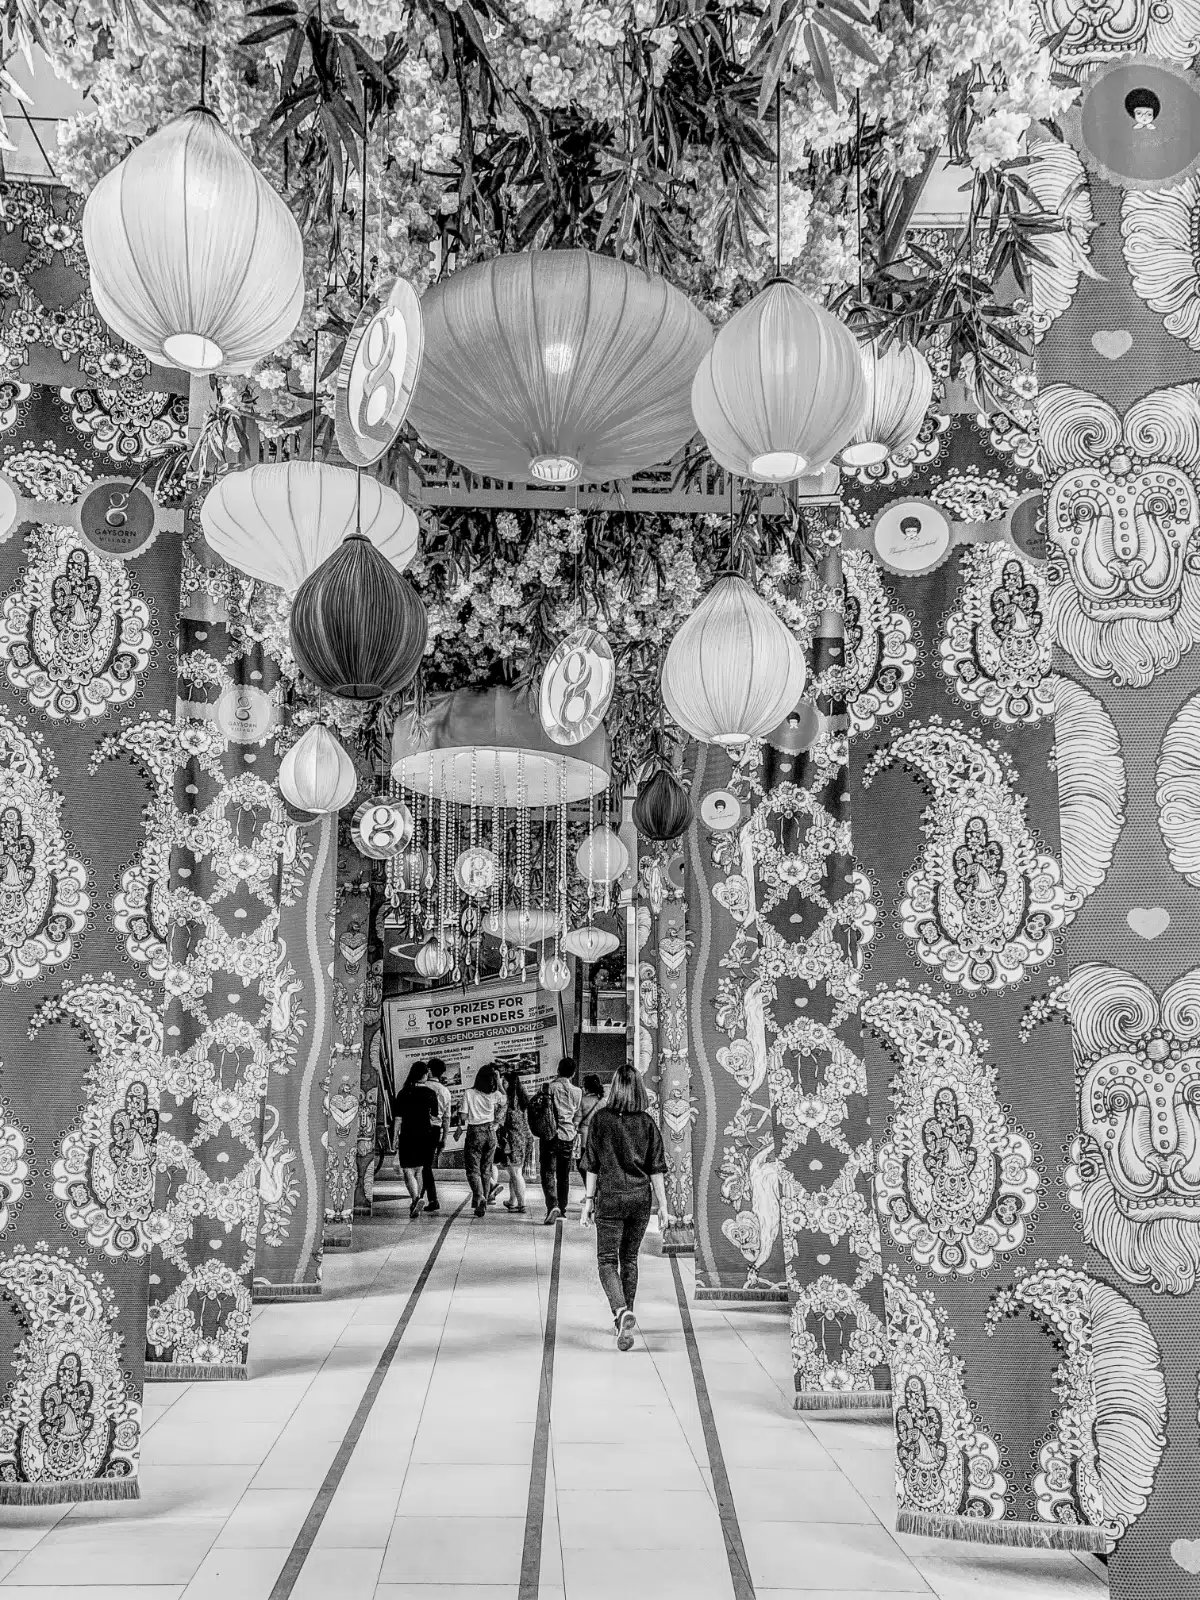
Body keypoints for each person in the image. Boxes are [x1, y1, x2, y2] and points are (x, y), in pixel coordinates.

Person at [581, 1065, 669, 1352]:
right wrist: (663, 1206)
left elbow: (591, 1164)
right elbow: (657, 1168)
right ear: (640, 1090)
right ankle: (624, 1317)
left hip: (610, 1197)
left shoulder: (601, 1120)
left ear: (614, 1087)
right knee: (629, 1259)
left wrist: (588, 1201)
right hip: (640, 1199)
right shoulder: (646, 1123)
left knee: (607, 1261)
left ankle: (620, 1311)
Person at [392, 1062, 442, 1219]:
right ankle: (417, 1199)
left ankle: (415, 1199)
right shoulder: (430, 1093)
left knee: (407, 1169)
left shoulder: (403, 1093)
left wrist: (394, 1138)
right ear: (424, 1075)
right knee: (420, 1169)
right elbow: (435, 1116)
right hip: (425, 1134)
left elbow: (398, 1119)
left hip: (408, 1134)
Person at [540, 1057, 582, 1224]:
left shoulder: (551, 1087)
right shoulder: (578, 1091)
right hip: (569, 1135)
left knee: (548, 1172)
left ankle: (552, 1205)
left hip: (551, 1135)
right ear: (573, 1073)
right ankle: (562, 1209)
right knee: (563, 1174)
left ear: (558, 1069)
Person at [461, 1063, 504, 1218]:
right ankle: (482, 1204)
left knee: (473, 1169)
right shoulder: (495, 1095)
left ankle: (480, 1197)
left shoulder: (469, 1093)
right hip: (491, 1132)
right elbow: (506, 1101)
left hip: (475, 1132)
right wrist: (499, 1083)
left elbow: (464, 1116)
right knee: (486, 1169)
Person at [497, 1069, 531, 1213]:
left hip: (512, 1140)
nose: (502, 1084)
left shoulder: (508, 1100)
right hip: (525, 1138)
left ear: (510, 1083)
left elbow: (499, 1119)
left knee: (515, 1173)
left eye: (504, 1081)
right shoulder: (523, 1098)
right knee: (515, 1172)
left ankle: (522, 1203)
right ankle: (512, 1201)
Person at [423, 1059, 453, 1214]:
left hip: (420, 1129)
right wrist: (444, 1138)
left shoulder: (422, 1087)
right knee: (426, 1165)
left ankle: (429, 1198)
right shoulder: (445, 1091)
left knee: (421, 1166)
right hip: (436, 1130)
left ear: (429, 1070)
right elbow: (446, 1118)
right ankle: (428, 1197)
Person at [576, 1074, 605, 1182]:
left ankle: (589, 1191)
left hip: (584, 1137)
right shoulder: (603, 1102)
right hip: (600, 1138)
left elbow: (576, 1120)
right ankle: (596, 1191)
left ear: (587, 1087)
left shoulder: (582, 1101)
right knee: (597, 1166)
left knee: (582, 1165)